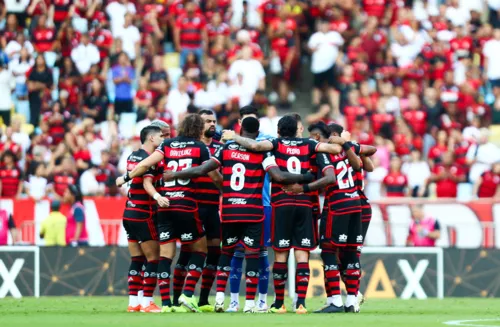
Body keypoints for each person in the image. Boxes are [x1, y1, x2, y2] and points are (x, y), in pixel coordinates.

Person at [164, 116, 315, 313]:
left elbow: (203, 169)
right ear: (258, 131)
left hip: (229, 210)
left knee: (226, 254)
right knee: (253, 255)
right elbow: (278, 176)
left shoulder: (226, 148)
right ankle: (250, 305)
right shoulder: (263, 152)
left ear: (240, 129)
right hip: (253, 210)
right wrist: (307, 177)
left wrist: (175, 174)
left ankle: (219, 300)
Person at [222, 115, 345, 314]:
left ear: (278, 131)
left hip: (281, 204)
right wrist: (305, 186)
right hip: (305, 204)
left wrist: (234, 137)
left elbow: (253, 146)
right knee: (302, 254)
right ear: (297, 129)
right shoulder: (310, 143)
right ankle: (301, 304)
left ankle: (279, 304)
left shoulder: (274, 143)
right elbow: (334, 152)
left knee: (281, 254)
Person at [117, 114, 222, 313]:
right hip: (187, 206)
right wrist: (224, 188)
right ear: (199, 130)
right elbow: (212, 174)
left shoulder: (167, 146)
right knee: (200, 250)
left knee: (166, 255)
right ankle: (187, 295)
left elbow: (146, 164)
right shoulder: (200, 147)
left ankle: (165, 304)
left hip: (164, 206)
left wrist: (125, 177)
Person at [171, 110, 223, 312]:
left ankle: (202, 300)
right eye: (207, 121)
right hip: (193, 205)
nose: (211, 124)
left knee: (215, 251)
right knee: (187, 251)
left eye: (214, 121)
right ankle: (177, 300)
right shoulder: (189, 148)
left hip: (212, 207)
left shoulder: (219, 148)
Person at [120, 125, 167, 313]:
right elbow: (147, 182)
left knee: (137, 258)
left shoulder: (133, 155)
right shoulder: (148, 160)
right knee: (153, 258)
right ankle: (148, 302)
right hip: (143, 213)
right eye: (161, 136)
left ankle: (134, 302)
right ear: (152, 139)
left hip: (129, 212)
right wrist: (157, 197)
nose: (163, 139)